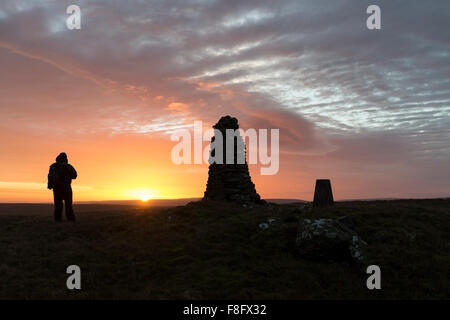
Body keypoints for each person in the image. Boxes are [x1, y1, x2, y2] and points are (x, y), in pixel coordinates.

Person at [47, 152, 77, 222]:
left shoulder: (53, 166)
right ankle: (70, 221)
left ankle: (58, 221)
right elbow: (74, 176)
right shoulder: (68, 166)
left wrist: (50, 185)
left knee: (58, 206)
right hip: (66, 188)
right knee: (68, 206)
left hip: (57, 189)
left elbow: (49, 177)